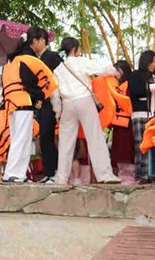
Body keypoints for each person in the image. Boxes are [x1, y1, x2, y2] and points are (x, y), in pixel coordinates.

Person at [51, 37, 121, 184]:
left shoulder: (58, 69)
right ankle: (104, 175)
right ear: (75, 49)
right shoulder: (81, 62)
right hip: (84, 101)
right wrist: (114, 71)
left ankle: (61, 178)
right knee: (95, 138)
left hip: (67, 105)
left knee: (65, 143)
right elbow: (102, 69)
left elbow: (54, 94)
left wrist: (58, 112)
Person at [0, 27, 57, 183]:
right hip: (23, 103)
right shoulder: (28, 60)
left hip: (11, 104)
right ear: (35, 41)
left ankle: (13, 173)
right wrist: (39, 97)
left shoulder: (13, 61)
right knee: (22, 140)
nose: (44, 45)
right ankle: (15, 174)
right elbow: (30, 82)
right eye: (43, 41)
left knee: (18, 139)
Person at [128, 50, 155, 182]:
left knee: (153, 144)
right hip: (140, 114)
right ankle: (141, 175)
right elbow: (135, 91)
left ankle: (152, 173)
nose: (154, 65)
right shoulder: (135, 75)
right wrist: (150, 87)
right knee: (141, 144)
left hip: (154, 114)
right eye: (152, 61)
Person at [38, 36, 62, 183]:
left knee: (52, 136)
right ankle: (49, 172)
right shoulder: (36, 58)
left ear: (42, 41)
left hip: (55, 101)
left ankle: (56, 172)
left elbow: (61, 78)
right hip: (42, 102)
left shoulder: (53, 57)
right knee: (44, 137)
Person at [110, 60, 136, 183]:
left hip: (127, 123)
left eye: (117, 70)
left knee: (126, 149)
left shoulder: (128, 85)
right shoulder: (116, 85)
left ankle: (128, 176)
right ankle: (121, 175)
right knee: (119, 149)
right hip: (118, 123)